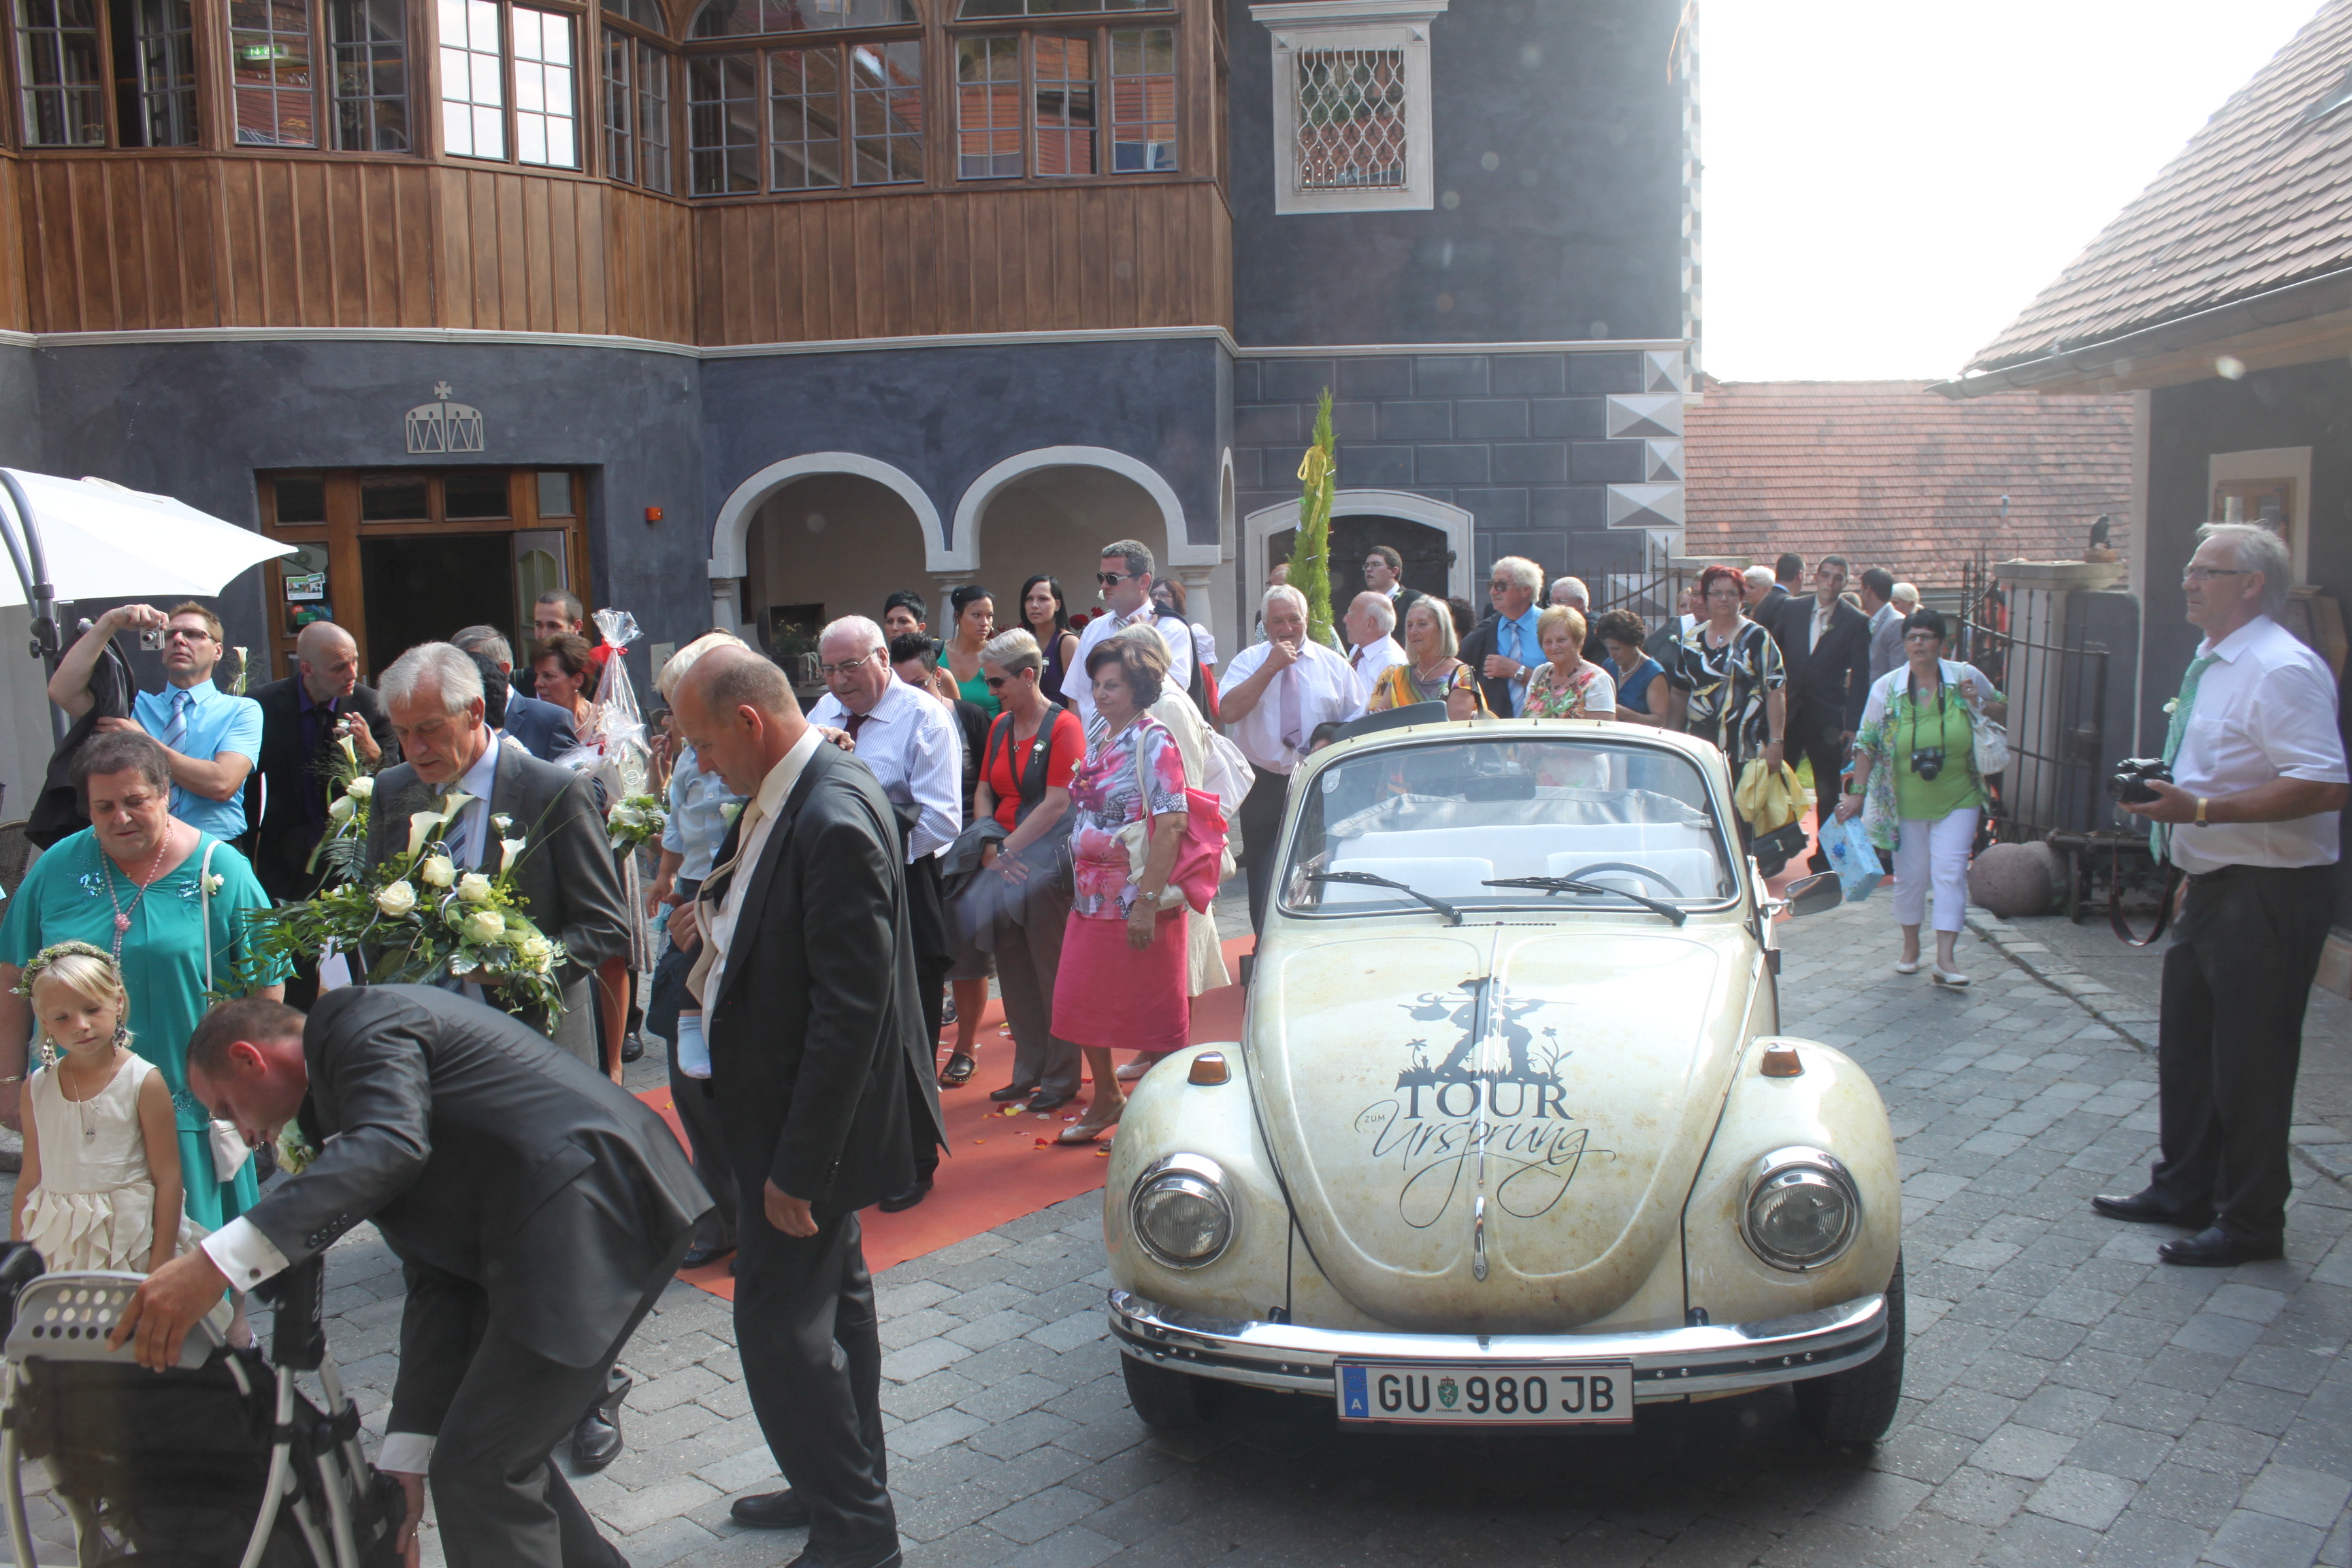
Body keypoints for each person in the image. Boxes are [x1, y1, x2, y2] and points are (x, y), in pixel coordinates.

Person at [122, 987, 708, 1568]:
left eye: (226, 1109)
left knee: (483, 1466)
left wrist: (215, 1262)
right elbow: (436, 1280)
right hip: (560, 1225)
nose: (244, 1137)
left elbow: (391, 1146)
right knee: (490, 1457)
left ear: (249, 1058)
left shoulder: (356, 1020)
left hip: (594, 1210)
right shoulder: (347, 1111)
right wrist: (406, 1455)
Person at [670, 645, 943, 1552]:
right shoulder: (803, 782)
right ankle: (836, 1484)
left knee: (782, 1331)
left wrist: (798, 1166)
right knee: (839, 1305)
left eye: (705, 744)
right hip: (777, 1113)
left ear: (749, 722)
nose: (701, 763)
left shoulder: (827, 810)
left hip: (800, 1132)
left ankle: (858, 1530)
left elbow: (850, 1013)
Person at [2100, 522, 2349, 1268]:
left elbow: (2326, 783)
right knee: (2188, 1052)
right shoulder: (2217, 661)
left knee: (2252, 1062)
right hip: (2214, 884)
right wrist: (2190, 855)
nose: (2188, 581)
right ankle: (2183, 1189)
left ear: (2251, 585)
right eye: (2190, 567)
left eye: (2208, 571)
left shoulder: (2282, 668)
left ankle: (2250, 1224)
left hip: (2269, 892)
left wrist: (2201, 814)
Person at [0, 729, 286, 1228]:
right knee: (96, 1263)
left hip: (190, 1106)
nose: (121, 818)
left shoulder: (222, 870)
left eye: (135, 801)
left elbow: (268, 982)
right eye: (104, 806)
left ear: (166, 793)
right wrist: (7, 1081)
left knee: (203, 1272)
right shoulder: (56, 870)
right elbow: (11, 979)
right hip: (83, 1111)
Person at [365, 644, 631, 1075]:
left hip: (537, 1046)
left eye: (429, 729)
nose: (414, 749)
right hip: (427, 1048)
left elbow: (604, 927)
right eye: (401, 732)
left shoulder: (554, 793)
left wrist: (521, 967)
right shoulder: (392, 789)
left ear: (474, 711)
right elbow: (375, 911)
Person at [808, 619, 960, 1207]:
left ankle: (914, 1162)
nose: (839, 682)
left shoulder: (924, 717)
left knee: (907, 1029)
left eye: (850, 668)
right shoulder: (824, 708)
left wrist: (871, 856)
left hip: (902, 880)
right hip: (833, 888)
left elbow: (942, 821)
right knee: (850, 1024)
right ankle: (860, 1150)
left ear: (882, 659)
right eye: (828, 669)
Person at [10, 943, 213, 1309]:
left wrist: (159, 1268)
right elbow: (30, 1176)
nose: (81, 1026)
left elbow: (168, 1179)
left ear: (117, 1002)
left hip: (129, 1241)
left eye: (92, 1009)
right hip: (59, 1245)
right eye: (62, 1018)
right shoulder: (36, 1087)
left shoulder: (143, 1080)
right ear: (44, 1021)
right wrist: (17, 1261)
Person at [1051, 636, 1188, 1144]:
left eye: (1113, 685)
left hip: (1136, 898)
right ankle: (1108, 1097)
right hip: (1090, 898)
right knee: (1079, 1004)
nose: (1101, 693)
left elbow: (1172, 823)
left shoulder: (1155, 739)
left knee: (1155, 1020)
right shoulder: (1100, 731)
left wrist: (1147, 905)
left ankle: (1170, 1119)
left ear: (1140, 688)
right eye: (1097, 684)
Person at [644, 632, 751, 1272]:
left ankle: (755, 1220)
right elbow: (680, 828)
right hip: (689, 914)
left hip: (729, 916)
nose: (682, 732)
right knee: (688, 1078)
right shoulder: (691, 757)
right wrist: (664, 875)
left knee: (733, 1077)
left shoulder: (749, 755)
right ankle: (719, 1213)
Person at [1835, 608, 2005, 987]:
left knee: (1950, 872)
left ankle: (1947, 958)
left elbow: (2001, 708)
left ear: (1941, 644)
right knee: (1911, 876)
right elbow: (1867, 741)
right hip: (1904, 800)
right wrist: (1858, 794)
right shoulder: (1889, 687)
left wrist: (1978, 701)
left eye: (1927, 637)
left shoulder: (1964, 676)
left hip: (1958, 795)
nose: (1918, 644)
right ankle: (1910, 947)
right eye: (1912, 637)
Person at [968, 629, 1086, 1112]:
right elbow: (983, 791)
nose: (992, 693)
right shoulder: (998, 727)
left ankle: (1061, 1077)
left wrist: (1006, 850)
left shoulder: (1064, 727)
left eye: (998, 683)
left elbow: (1058, 803)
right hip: (1004, 861)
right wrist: (988, 843)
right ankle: (1028, 1070)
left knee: (1052, 972)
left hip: (1045, 867)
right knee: (1014, 973)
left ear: (1029, 675)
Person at [48, 600, 263, 842]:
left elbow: (222, 784)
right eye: (169, 635)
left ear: (218, 651)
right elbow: (63, 691)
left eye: (194, 634)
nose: (179, 640)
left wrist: (145, 742)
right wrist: (110, 622)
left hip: (211, 847)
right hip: (139, 846)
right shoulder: (133, 706)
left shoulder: (240, 710)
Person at [1220, 585, 1362, 932]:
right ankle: (1263, 945)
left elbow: (1358, 721)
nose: (1286, 629)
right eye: (1277, 621)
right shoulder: (1249, 662)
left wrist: (1331, 736)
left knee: (1322, 868)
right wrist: (1269, 668)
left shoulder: (1333, 665)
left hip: (1319, 780)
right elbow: (1228, 710)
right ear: (1265, 625)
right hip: (1265, 780)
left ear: (1307, 619)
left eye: (1294, 619)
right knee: (1265, 872)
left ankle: (1318, 938)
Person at [245, 619, 395, 902]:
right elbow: (248, 790)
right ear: (307, 669)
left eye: (355, 661)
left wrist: (372, 754)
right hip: (283, 857)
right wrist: (244, 855)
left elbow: (397, 779)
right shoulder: (260, 704)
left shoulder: (373, 706)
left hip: (353, 855)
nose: (352, 673)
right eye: (339, 667)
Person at [1780, 555, 1874, 872]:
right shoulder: (1791, 609)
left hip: (1828, 716)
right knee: (1777, 783)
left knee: (1827, 789)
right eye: (1826, 576)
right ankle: (1772, 850)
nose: (1831, 583)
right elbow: (1774, 659)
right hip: (1788, 712)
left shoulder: (1856, 621)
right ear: (1816, 577)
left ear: (1845, 582)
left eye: (1838, 578)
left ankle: (1825, 855)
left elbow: (1861, 676)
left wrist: (1852, 724)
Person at [1671, 565, 1788, 793]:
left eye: (1731, 593)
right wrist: (1672, 739)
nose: (1724, 599)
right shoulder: (1691, 639)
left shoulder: (1757, 637)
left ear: (1741, 598)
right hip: (1699, 750)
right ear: (1705, 598)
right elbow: (1679, 692)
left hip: (1746, 750)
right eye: (1717, 593)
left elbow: (1776, 690)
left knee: (1742, 820)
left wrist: (1777, 742)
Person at [1066, 539, 1194, 730]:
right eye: (1101, 577)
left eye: (1112, 579)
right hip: (1092, 752)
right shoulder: (1095, 628)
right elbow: (1077, 696)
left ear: (1143, 581)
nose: (1104, 586)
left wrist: (1141, 643)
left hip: (1143, 748)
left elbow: (1167, 695)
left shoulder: (1171, 629)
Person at [892, 634, 991, 826]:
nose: (913, 696)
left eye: (919, 684)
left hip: (967, 823)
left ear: (937, 675)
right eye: (901, 689)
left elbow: (992, 783)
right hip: (910, 827)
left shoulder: (972, 717)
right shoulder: (890, 723)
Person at [452, 625, 578, 761]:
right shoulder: (453, 720)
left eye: (470, 667)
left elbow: (578, 781)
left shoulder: (550, 720)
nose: (458, 678)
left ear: (502, 670)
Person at [1367, 597, 1484, 721]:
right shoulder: (1399, 675)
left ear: (1442, 629)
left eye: (1422, 624)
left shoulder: (1460, 675)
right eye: (1410, 625)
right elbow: (1379, 723)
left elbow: (1453, 731)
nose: (1413, 631)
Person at [1458, 555, 1544, 715]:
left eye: (1501, 586)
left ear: (1525, 590)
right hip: (1498, 732)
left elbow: (1568, 685)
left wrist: (1518, 672)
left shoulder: (1550, 626)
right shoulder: (1486, 630)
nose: (1493, 592)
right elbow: (1458, 670)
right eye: (1492, 585)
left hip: (1545, 729)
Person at [1522, 605, 1616, 721]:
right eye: (1548, 642)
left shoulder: (1597, 680)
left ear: (1577, 640)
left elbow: (1602, 734)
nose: (1554, 647)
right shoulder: (1540, 673)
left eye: (1561, 640)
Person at [883, 591, 962, 705]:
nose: (894, 627)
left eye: (903, 621)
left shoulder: (942, 676)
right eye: (889, 621)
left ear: (921, 627)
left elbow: (957, 716)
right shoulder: (880, 672)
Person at [1596, 608, 1671, 729]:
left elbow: (1660, 722)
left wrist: (1624, 713)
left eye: (1616, 649)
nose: (1611, 655)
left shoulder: (1654, 674)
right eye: (1607, 648)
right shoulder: (1609, 665)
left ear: (1633, 643)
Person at [1018, 574, 1081, 707]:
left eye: (1043, 599)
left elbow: (1076, 701)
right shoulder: (1024, 644)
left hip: (1062, 724)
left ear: (1057, 604)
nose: (1034, 605)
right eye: (1029, 599)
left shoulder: (1067, 643)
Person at [941, 585, 999, 719]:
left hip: (991, 737)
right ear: (958, 617)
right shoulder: (937, 654)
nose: (984, 623)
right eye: (976, 615)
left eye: (989, 616)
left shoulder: (999, 655)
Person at [1343, 590, 1406, 711]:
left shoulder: (1393, 665)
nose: (1345, 619)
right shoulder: (1359, 647)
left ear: (1369, 624)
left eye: (1351, 614)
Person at [530, 631, 600, 737]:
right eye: (537, 675)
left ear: (578, 680)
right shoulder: (532, 725)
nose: (537, 683)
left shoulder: (606, 721)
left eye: (548, 675)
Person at [1363, 544, 1427, 626]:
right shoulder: (1364, 604)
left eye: (1376, 564)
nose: (1369, 569)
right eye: (1366, 566)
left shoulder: (1416, 601)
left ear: (1394, 572)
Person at [1859, 568, 1903, 683]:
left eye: (1862, 590)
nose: (1860, 595)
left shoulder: (1896, 623)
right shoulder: (1870, 620)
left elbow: (1898, 672)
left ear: (1868, 590)